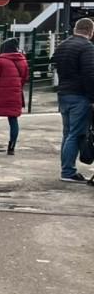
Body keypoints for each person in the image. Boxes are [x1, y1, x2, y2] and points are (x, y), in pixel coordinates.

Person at [53, 18, 94, 181]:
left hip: (64, 94)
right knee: (76, 134)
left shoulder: (62, 45)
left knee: (67, 133)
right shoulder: (87, 47)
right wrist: (92, 98)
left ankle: (65, 168)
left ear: (76, 29)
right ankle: (68, 172)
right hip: (80, 96)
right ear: (90, 31)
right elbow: (90, 74)